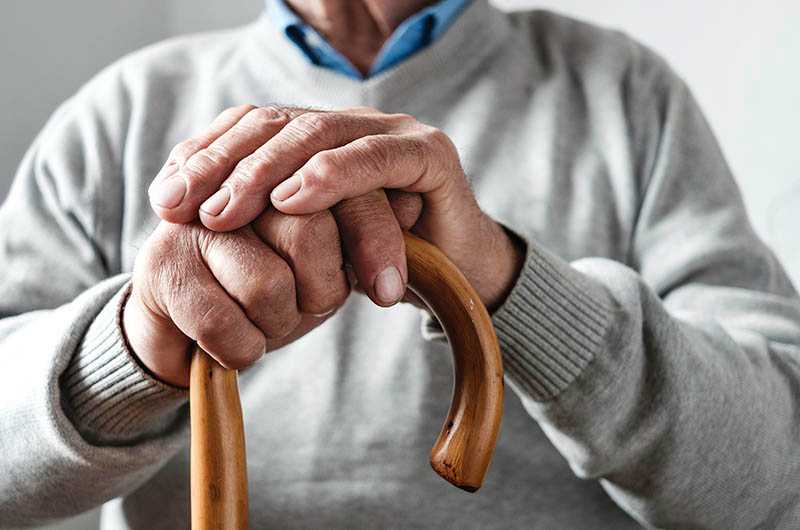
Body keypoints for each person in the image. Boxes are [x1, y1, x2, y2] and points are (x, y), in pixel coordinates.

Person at [1, 0, 798, 528]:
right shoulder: (122, 111)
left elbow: (775, 473)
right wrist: (134, 347)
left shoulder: (627, 95)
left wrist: (508, 285)